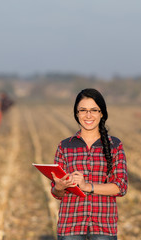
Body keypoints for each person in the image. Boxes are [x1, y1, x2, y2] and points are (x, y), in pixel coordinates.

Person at [51, 88, 128, 240]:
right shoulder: (64, 146)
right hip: (70, 226)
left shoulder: (115, 145)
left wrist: (87, 187)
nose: (88, 115)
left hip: (103, 227)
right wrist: (59, 187)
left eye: (94, 110)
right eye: (83, 110)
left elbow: (121, 187)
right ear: (76, 114)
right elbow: (56, 193)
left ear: (102, 113)